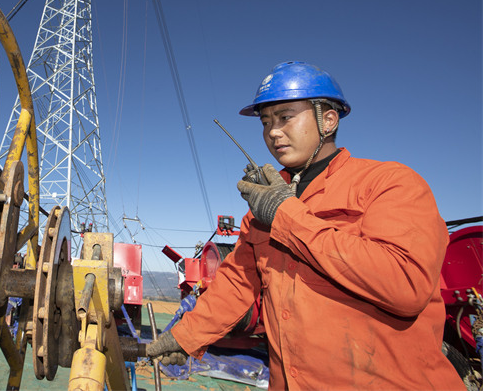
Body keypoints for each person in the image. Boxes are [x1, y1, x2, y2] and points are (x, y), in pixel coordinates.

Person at [147, 61, 465, 390]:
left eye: (285, 117)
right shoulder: (261, 211)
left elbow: (405, 285)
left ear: (328, 120)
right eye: (266, 122)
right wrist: (185, 336)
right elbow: (237, 283)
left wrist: (285, 215)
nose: (272, 132)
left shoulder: (388, 183)